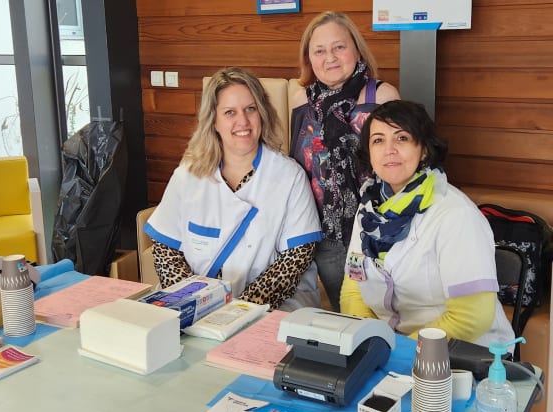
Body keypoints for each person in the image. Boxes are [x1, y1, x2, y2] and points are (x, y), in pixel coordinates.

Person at [144, 67, 323, 310]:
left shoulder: (290, 176)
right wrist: (193, 304)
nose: (243, 121)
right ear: (213, 121)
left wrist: (239, 312)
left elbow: (297, 257)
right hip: (198, 308)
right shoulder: (188, 175)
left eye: (251, 109)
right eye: (230, 112)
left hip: (270, 309)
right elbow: (165, 249)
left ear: (262, 113)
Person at [340, 100, 514, 347]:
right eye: (378, 140)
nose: (389, 149)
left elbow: (472, 317)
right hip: (392, 346)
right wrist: (368, 343)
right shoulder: (370, 208)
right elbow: (354, 287)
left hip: (461, 352)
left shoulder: (455, 214)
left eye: (402, 138)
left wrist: (397, 350)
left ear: (423, 150)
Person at [290, 11, 401, 311]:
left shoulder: (381, 96)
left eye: (339, 47)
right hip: (326, 237)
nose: (330, 58)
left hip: (378, 233)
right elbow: (299, 166)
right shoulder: (301, 101)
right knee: (346, 316)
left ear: (356, 49)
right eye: (319, 50)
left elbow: (403, 164)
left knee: (386, 314)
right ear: (309, 58)